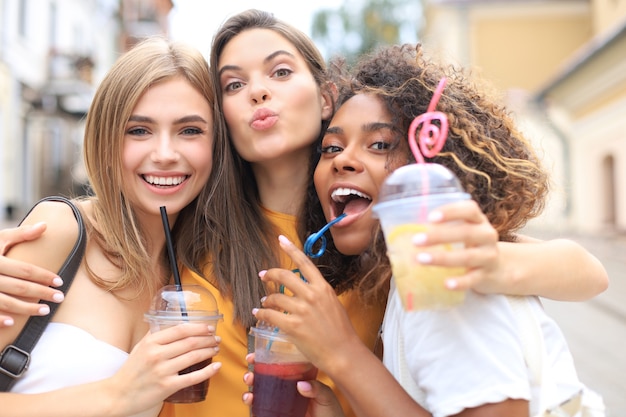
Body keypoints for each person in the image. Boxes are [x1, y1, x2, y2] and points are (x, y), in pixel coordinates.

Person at [0, 9, 608, 417]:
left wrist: (493, 268)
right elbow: (106, 222)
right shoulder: (189, 220)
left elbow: (583, 271)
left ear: (324, 97)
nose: (257, 91)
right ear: (223, 124)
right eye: (233, 85)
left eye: (279, 71)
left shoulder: (373, 228)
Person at [250, 43, 606, 416]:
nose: (343, 161)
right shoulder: (411, 278)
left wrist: (341, 353)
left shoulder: (442, 282)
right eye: (331, 147)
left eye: (380, 144)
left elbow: (590, 272)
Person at [0, 37, 222, 416]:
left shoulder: (194, 273)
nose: (165, 154)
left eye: (190, 130)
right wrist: (117, 395)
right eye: (139, 130)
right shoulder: (59, 232)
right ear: (106, 139)